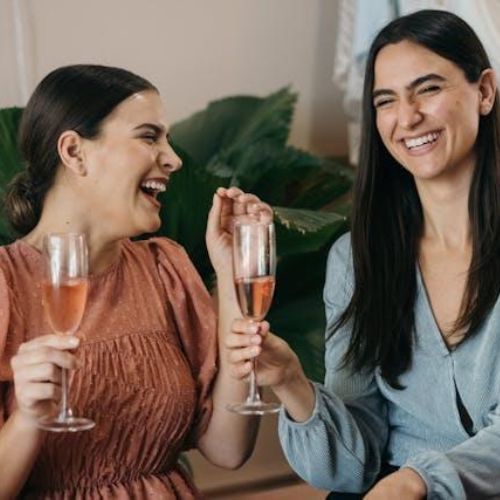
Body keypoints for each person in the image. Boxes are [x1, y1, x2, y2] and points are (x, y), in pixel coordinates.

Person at [226, 9, 500, 499]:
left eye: (429, 88)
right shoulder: (355, 261)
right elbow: (353, 464)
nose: (407, 116)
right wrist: (292, 384)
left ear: (484, 91)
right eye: (386, 100)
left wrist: (420, 481)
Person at [0, 64, 272, 499]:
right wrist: (28, 419)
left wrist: (234, 274)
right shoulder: (5, 285)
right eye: (149, 136)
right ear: (74, 152)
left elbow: (228, 447)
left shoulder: (165, 268)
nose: (174, 158)